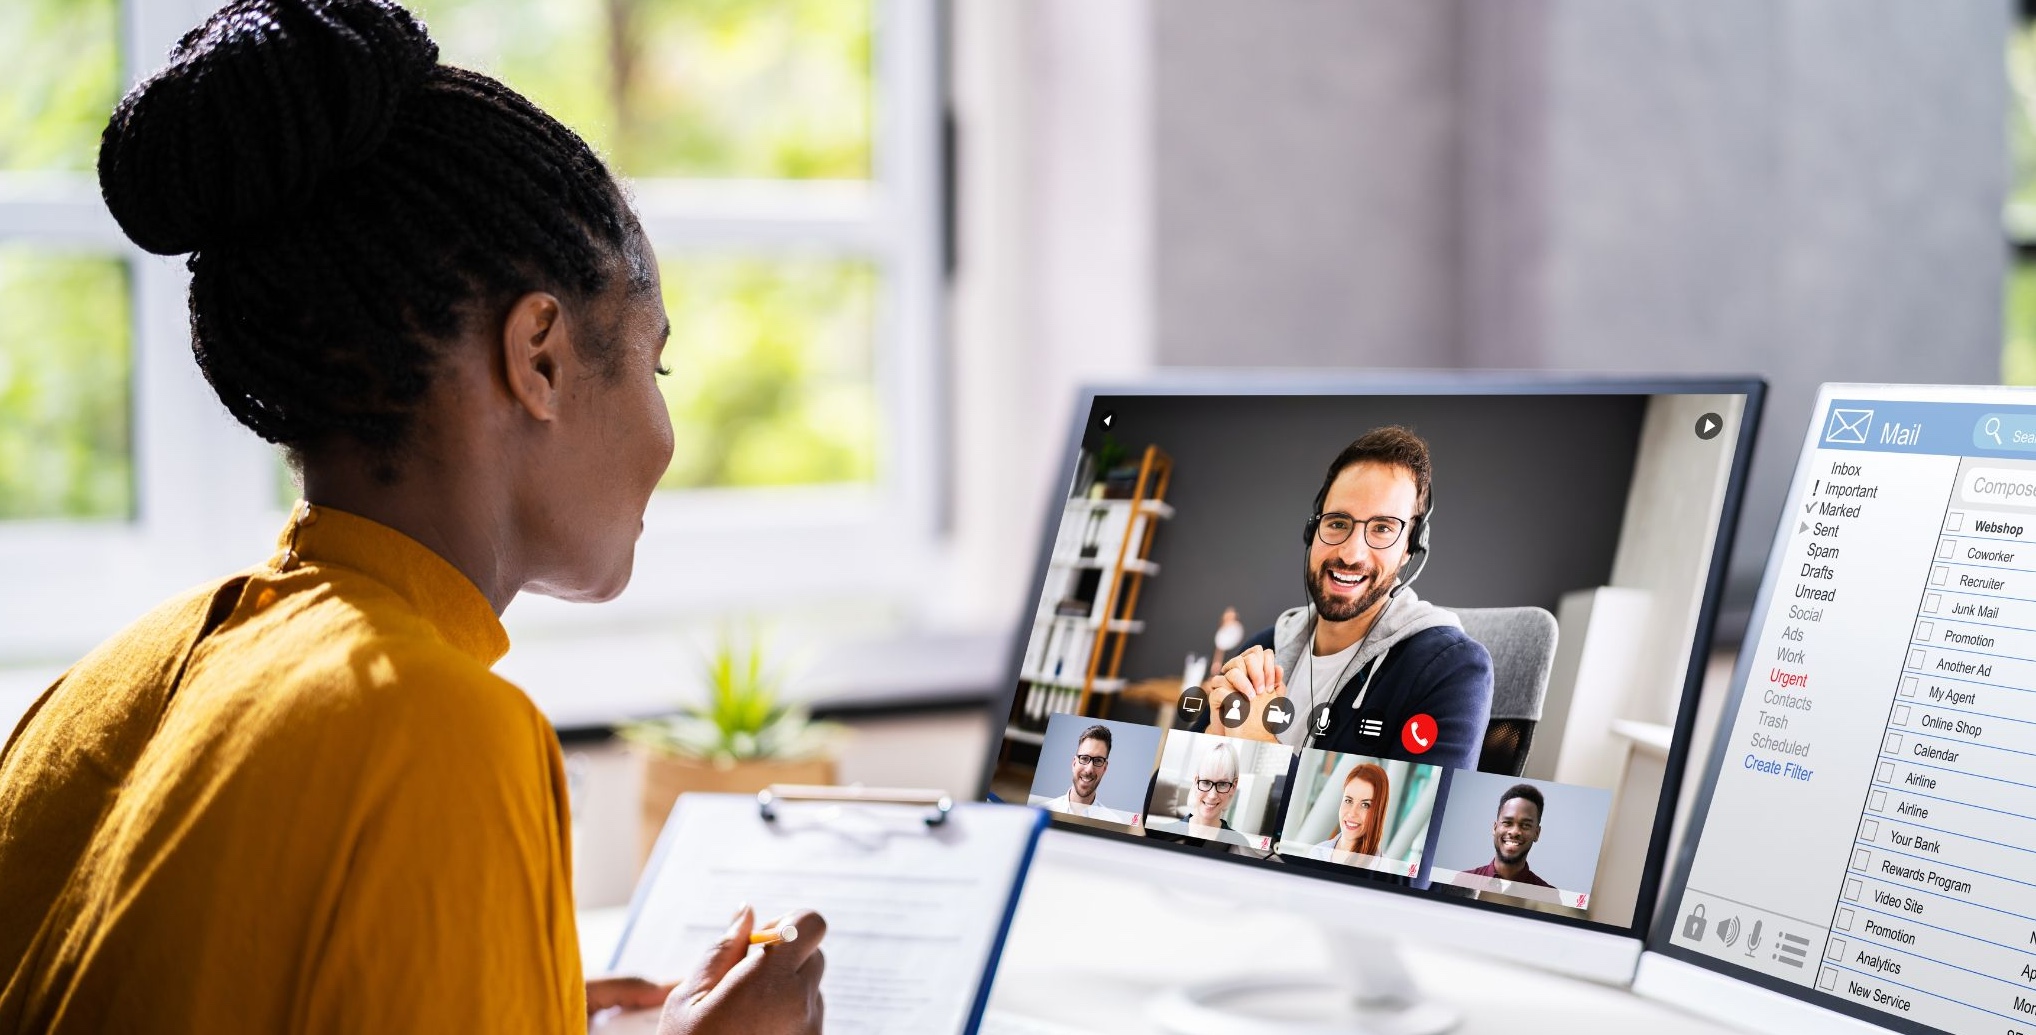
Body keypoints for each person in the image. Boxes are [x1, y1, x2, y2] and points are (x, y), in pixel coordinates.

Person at [0, 2, 823, 1032]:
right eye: (656, 367)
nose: (667, 434)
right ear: (539, 357)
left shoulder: (105, 686)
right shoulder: (441, 733)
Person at [1197, 426, 1494, 770]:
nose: (1351, 554)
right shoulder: (1265, 650)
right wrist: (1211, 738)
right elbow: (1162, 795)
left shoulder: (1452, 671)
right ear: (1313, 530)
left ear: (1409, 548)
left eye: (1382, 528)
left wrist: (1255, 744)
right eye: (1338, 523)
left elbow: (1400, 807)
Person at [1033, 724, 1133, 824]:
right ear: (1074, 763)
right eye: (1084, 758)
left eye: (1098, 760)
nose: (1089, 769)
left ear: (1105, 768)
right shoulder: (1038, 813)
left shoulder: (1113, 822)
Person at [1463, 784, 1552, 888]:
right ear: (1495, 828)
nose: (1514, 832)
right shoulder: (1462, 881)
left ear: (1537, 833)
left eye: (1525, 825)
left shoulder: (1548, 894)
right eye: (1507, 823)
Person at [1317, 762, 1390, 859]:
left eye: (1365, 805)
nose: (1352, 813)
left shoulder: (1381, 864)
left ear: (1378, 812)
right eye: (1348, 800)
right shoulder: (1317, 851)